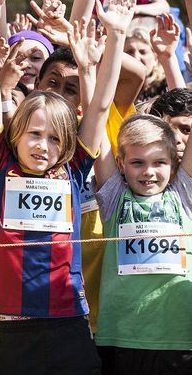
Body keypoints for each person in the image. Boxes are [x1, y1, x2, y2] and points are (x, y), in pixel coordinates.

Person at [0, 0, 134, 375]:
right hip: (7, 329)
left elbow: (97, 109)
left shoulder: (74, 169)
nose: (43, 146)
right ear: (16, 134)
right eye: (34, 134)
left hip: (67, 323)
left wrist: (114, 37)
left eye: (54, 139)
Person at [93, 114, 192, 373]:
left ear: (173, 163)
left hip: (180, 338)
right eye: (137, 162)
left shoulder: (183, 194)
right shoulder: (114, 196)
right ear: (120, 164)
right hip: (120, 337)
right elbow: (98, 119)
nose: (148, 171)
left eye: (159, 162)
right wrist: (89, 74)